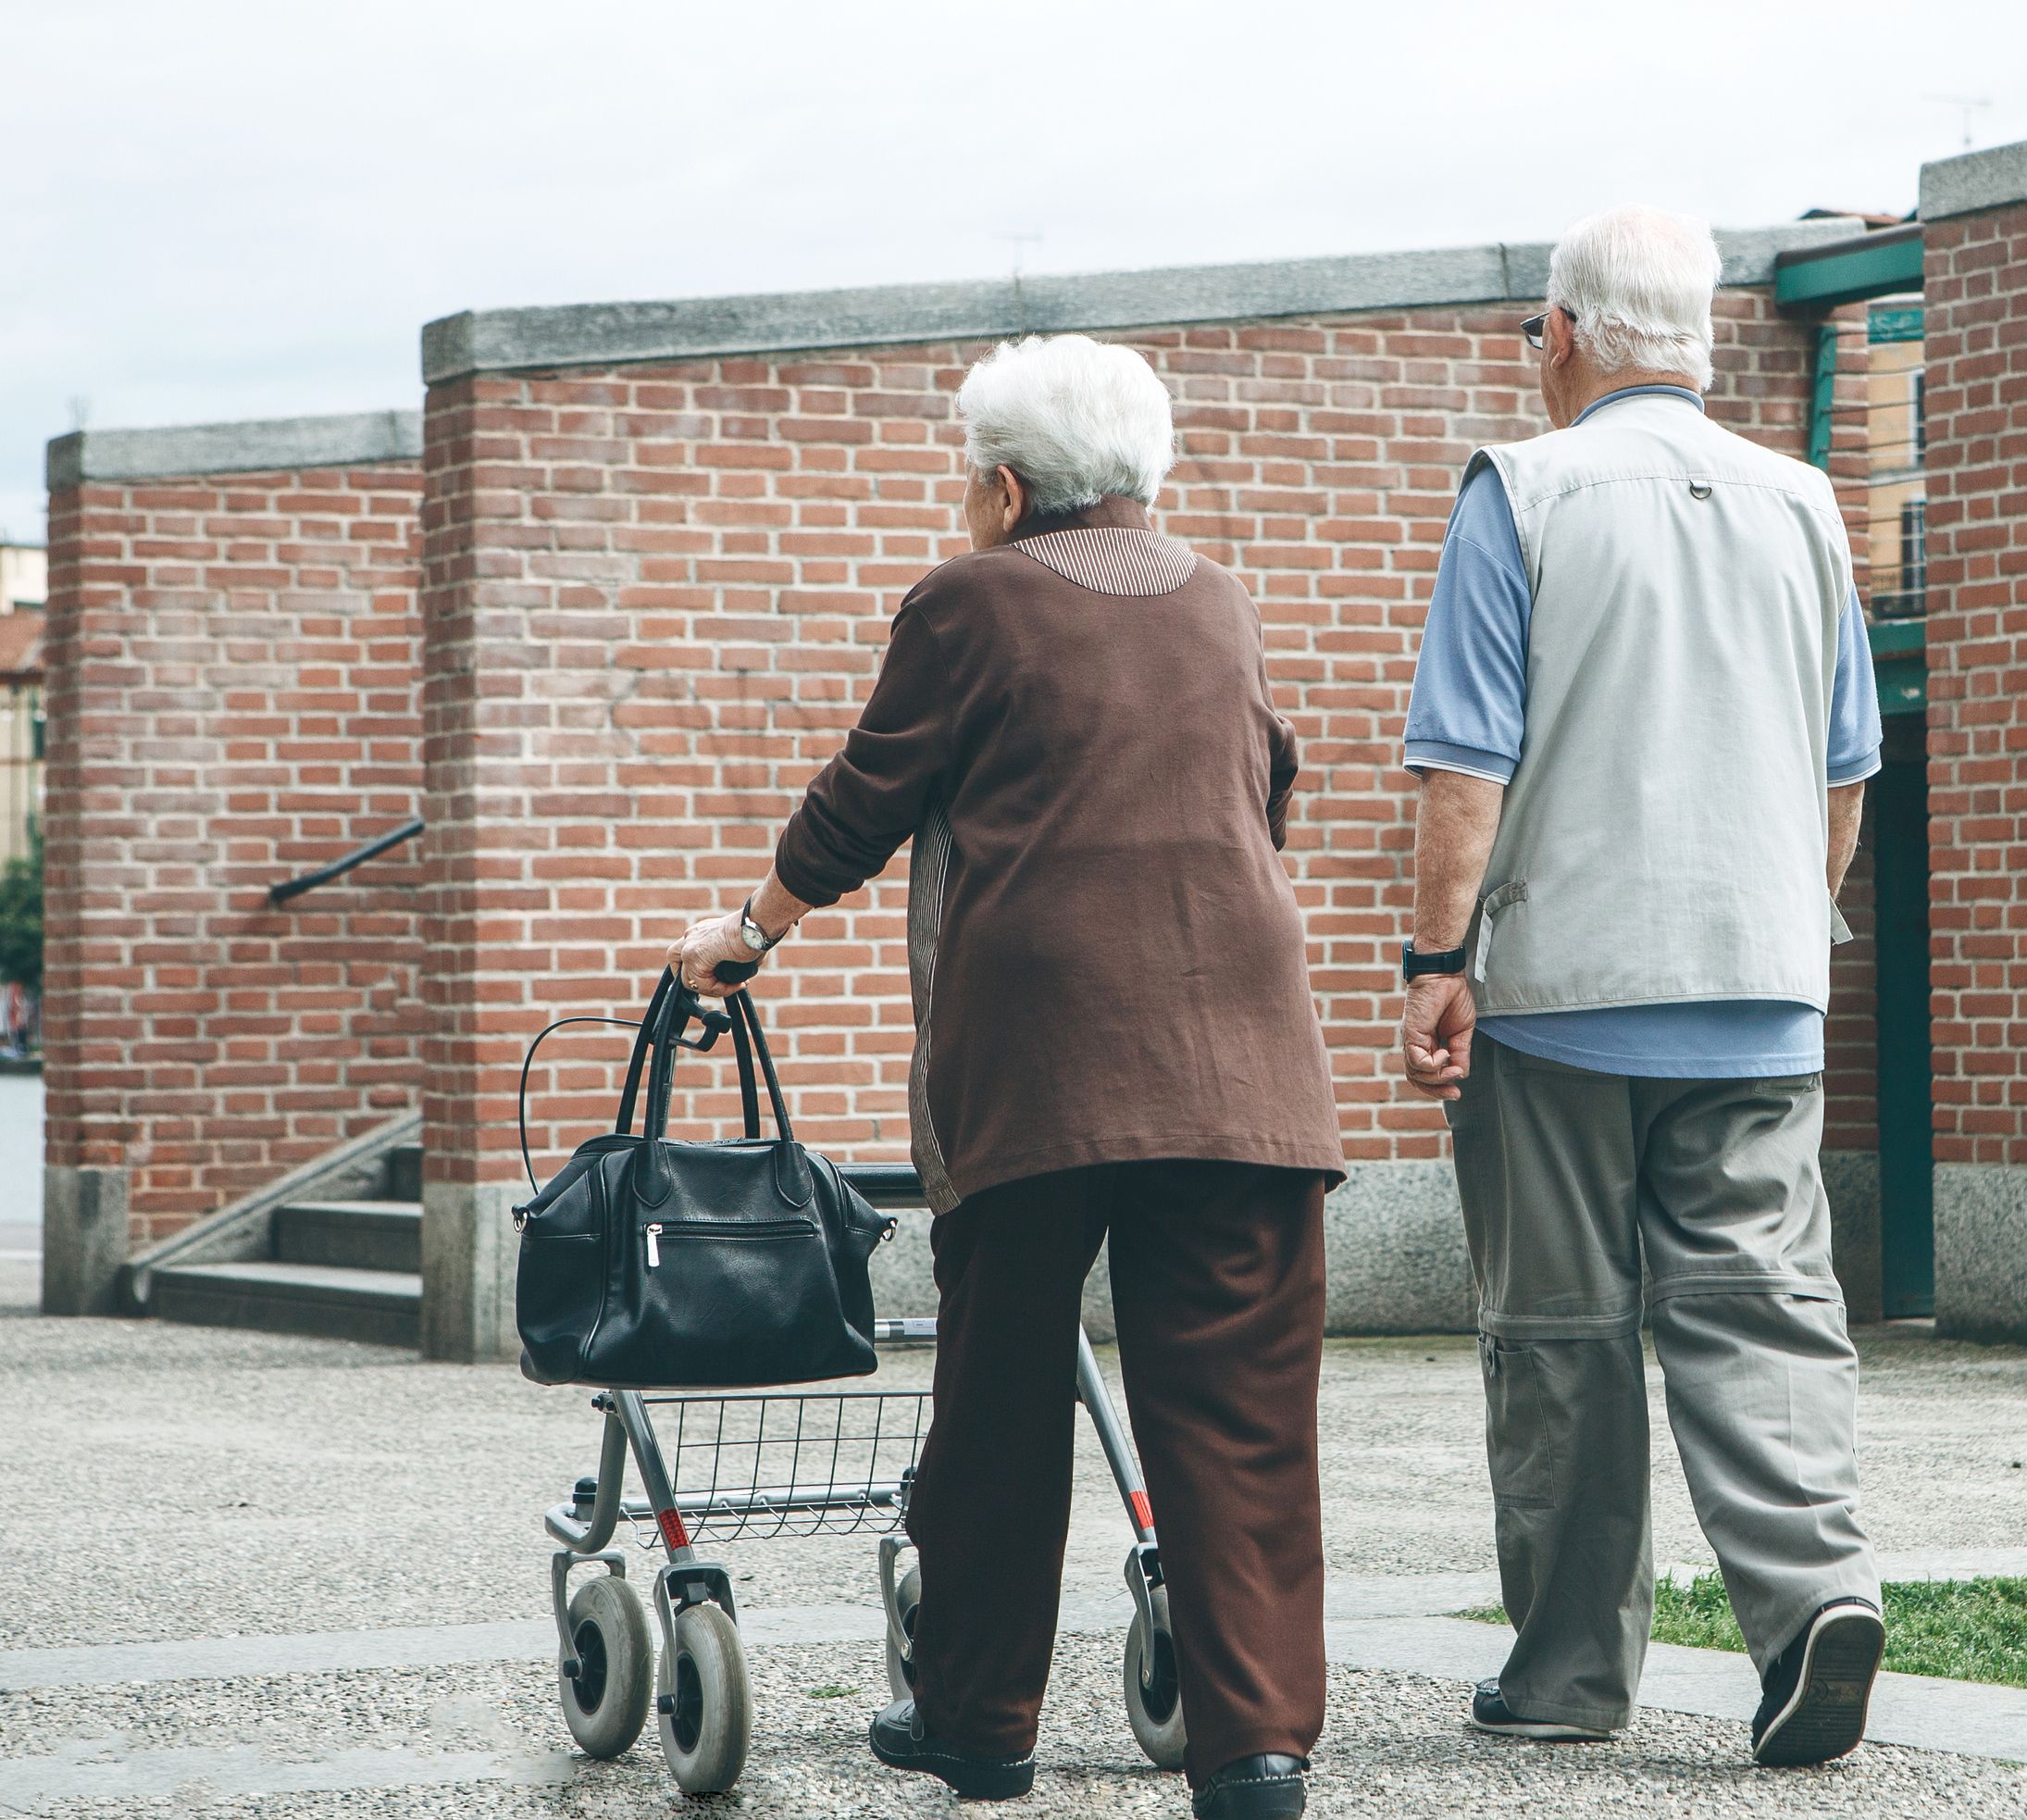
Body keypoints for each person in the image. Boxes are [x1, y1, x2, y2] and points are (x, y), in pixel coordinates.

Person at [669, 332, 1344, 1820]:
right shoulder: (1220, 597)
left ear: (1004, 487)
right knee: (1239, 1411)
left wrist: (746, 932)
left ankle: (980, 1723)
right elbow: (1269, 783)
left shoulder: (970, 600)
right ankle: (1256, 1752)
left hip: (1043, 1064)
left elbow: (866, 794)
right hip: (1245, 1062)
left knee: (1001, 1395)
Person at [1396, 205, 1887, 1767]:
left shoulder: (1521, 493)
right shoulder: (1806, 501)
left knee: (1561, 1327)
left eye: (1535, 331)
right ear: (1699, 336)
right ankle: (1815, 1598)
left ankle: (1566, 1674)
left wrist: (1434, 961)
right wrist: (1790, 922)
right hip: (1761, 985)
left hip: (1561, 990)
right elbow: (1845, 772)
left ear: (1566, 335)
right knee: (1765, 1302)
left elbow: (1463, 770)